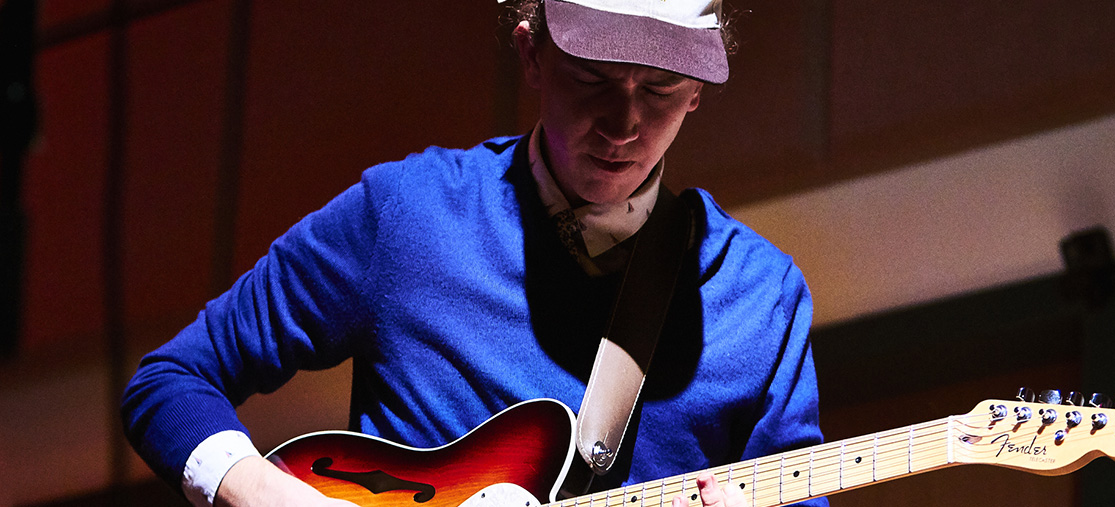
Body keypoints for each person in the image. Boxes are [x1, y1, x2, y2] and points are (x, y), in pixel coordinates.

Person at [121, 1, 827, 506]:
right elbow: (171, 379)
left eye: (662, 89)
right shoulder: (407, 215)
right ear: (531, 53)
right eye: (593, 78)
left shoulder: (761, 295)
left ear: (699, 89)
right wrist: (263, 493)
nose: (624, 123)